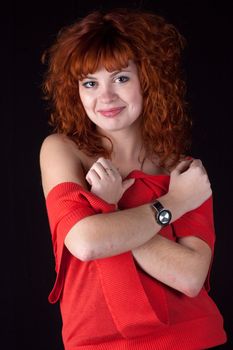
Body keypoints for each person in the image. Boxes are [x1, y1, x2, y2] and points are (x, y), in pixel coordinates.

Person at [39, 8, 227, 349]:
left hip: (191, 338)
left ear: (148, 80)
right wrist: (173, 203)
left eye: (121, 78)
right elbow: (85, 242)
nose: (105, 97)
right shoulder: (62, 151)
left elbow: (189, 277)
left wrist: (107, 212)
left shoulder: (183, 172)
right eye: (90, 83)